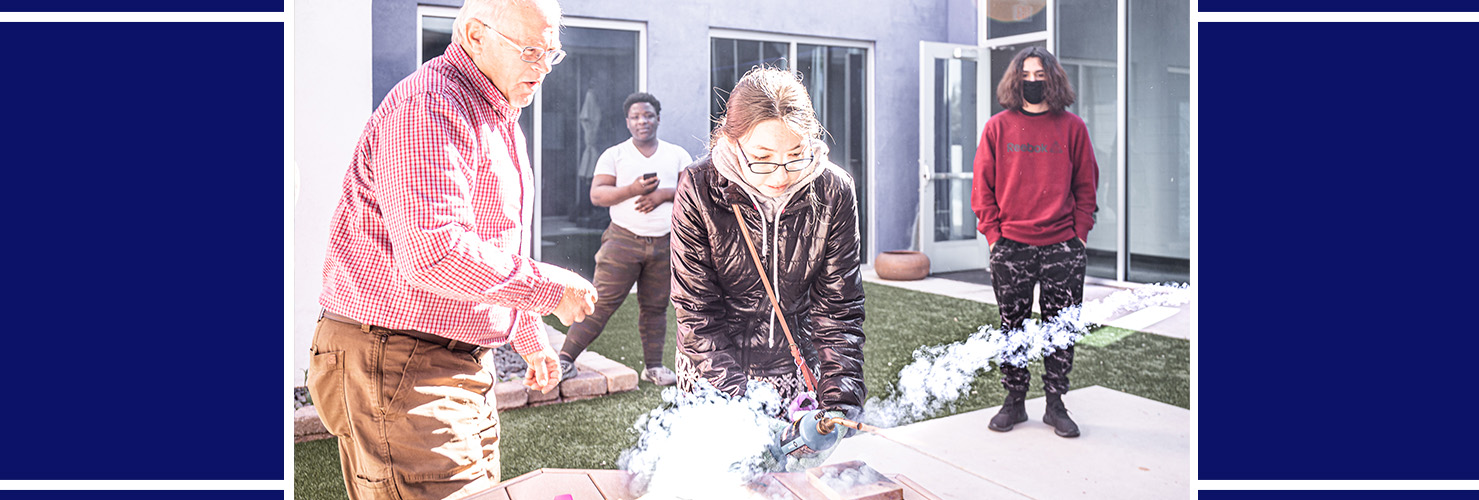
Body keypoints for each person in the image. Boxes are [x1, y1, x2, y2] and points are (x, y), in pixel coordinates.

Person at [306, 1, 597, 498]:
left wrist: (527, 333)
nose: (543, 68)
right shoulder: (431, 106)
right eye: (530, 51)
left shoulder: (494, 107)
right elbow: (434, 254)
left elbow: (491, 244)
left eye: (552, 52)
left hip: (442, 360)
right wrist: (549, 290)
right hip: (398, 357)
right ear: (474, 34)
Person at [670, 67, 866, 426]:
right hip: (713, 371)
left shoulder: (835, 190)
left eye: (796, 154)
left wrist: (840, 398)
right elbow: (697, 314)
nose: (780, 176)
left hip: (796, 368)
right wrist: (742, 404)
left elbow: (839, 311)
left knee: (796, 478)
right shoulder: (699, 186)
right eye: (762, 158)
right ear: (732, 143)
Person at [971, 46, 1099, 438]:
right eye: (1026, 75)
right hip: (1011, 245)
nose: (1032, 81)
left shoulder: (1073, 128)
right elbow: (983, 187)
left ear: (1053, 80)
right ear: (1015, 79)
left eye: (1040, 75)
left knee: (1060, 326)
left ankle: (1055, 404)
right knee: (1013, 327)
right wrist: (994, 235)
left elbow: (1087, 185)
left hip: (1063, 245)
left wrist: (1079, 235)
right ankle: (1014, 402)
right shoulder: (998, 127)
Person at [557, 93, 692, 386]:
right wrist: (632, 189)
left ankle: (654, 367)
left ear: (658, 119)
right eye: (636, 117)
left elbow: (690, 194)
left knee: (655, 307)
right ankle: (564, 360)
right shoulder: (614, 154)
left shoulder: (677, 154)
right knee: (600, 301)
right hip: (623, 239)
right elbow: (597, 195)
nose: (642, 121)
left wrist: (662, 194)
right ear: (627, 122)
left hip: (665, 242)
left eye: (648, 115)